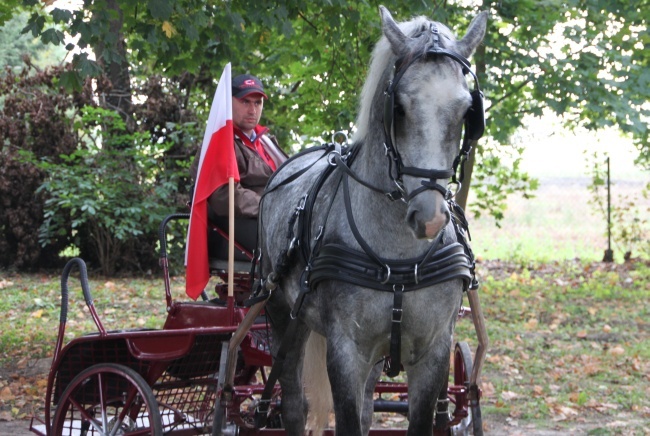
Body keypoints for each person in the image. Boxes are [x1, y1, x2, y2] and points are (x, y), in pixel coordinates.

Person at [190, 73, 287, 218]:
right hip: (249, 223)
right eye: (245, 102)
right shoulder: (220, 142)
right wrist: (270, 206)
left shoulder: (268, 144)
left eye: (257, 103)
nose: (252, 110)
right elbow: (223, 195)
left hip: (282, 215)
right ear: (229, 103)